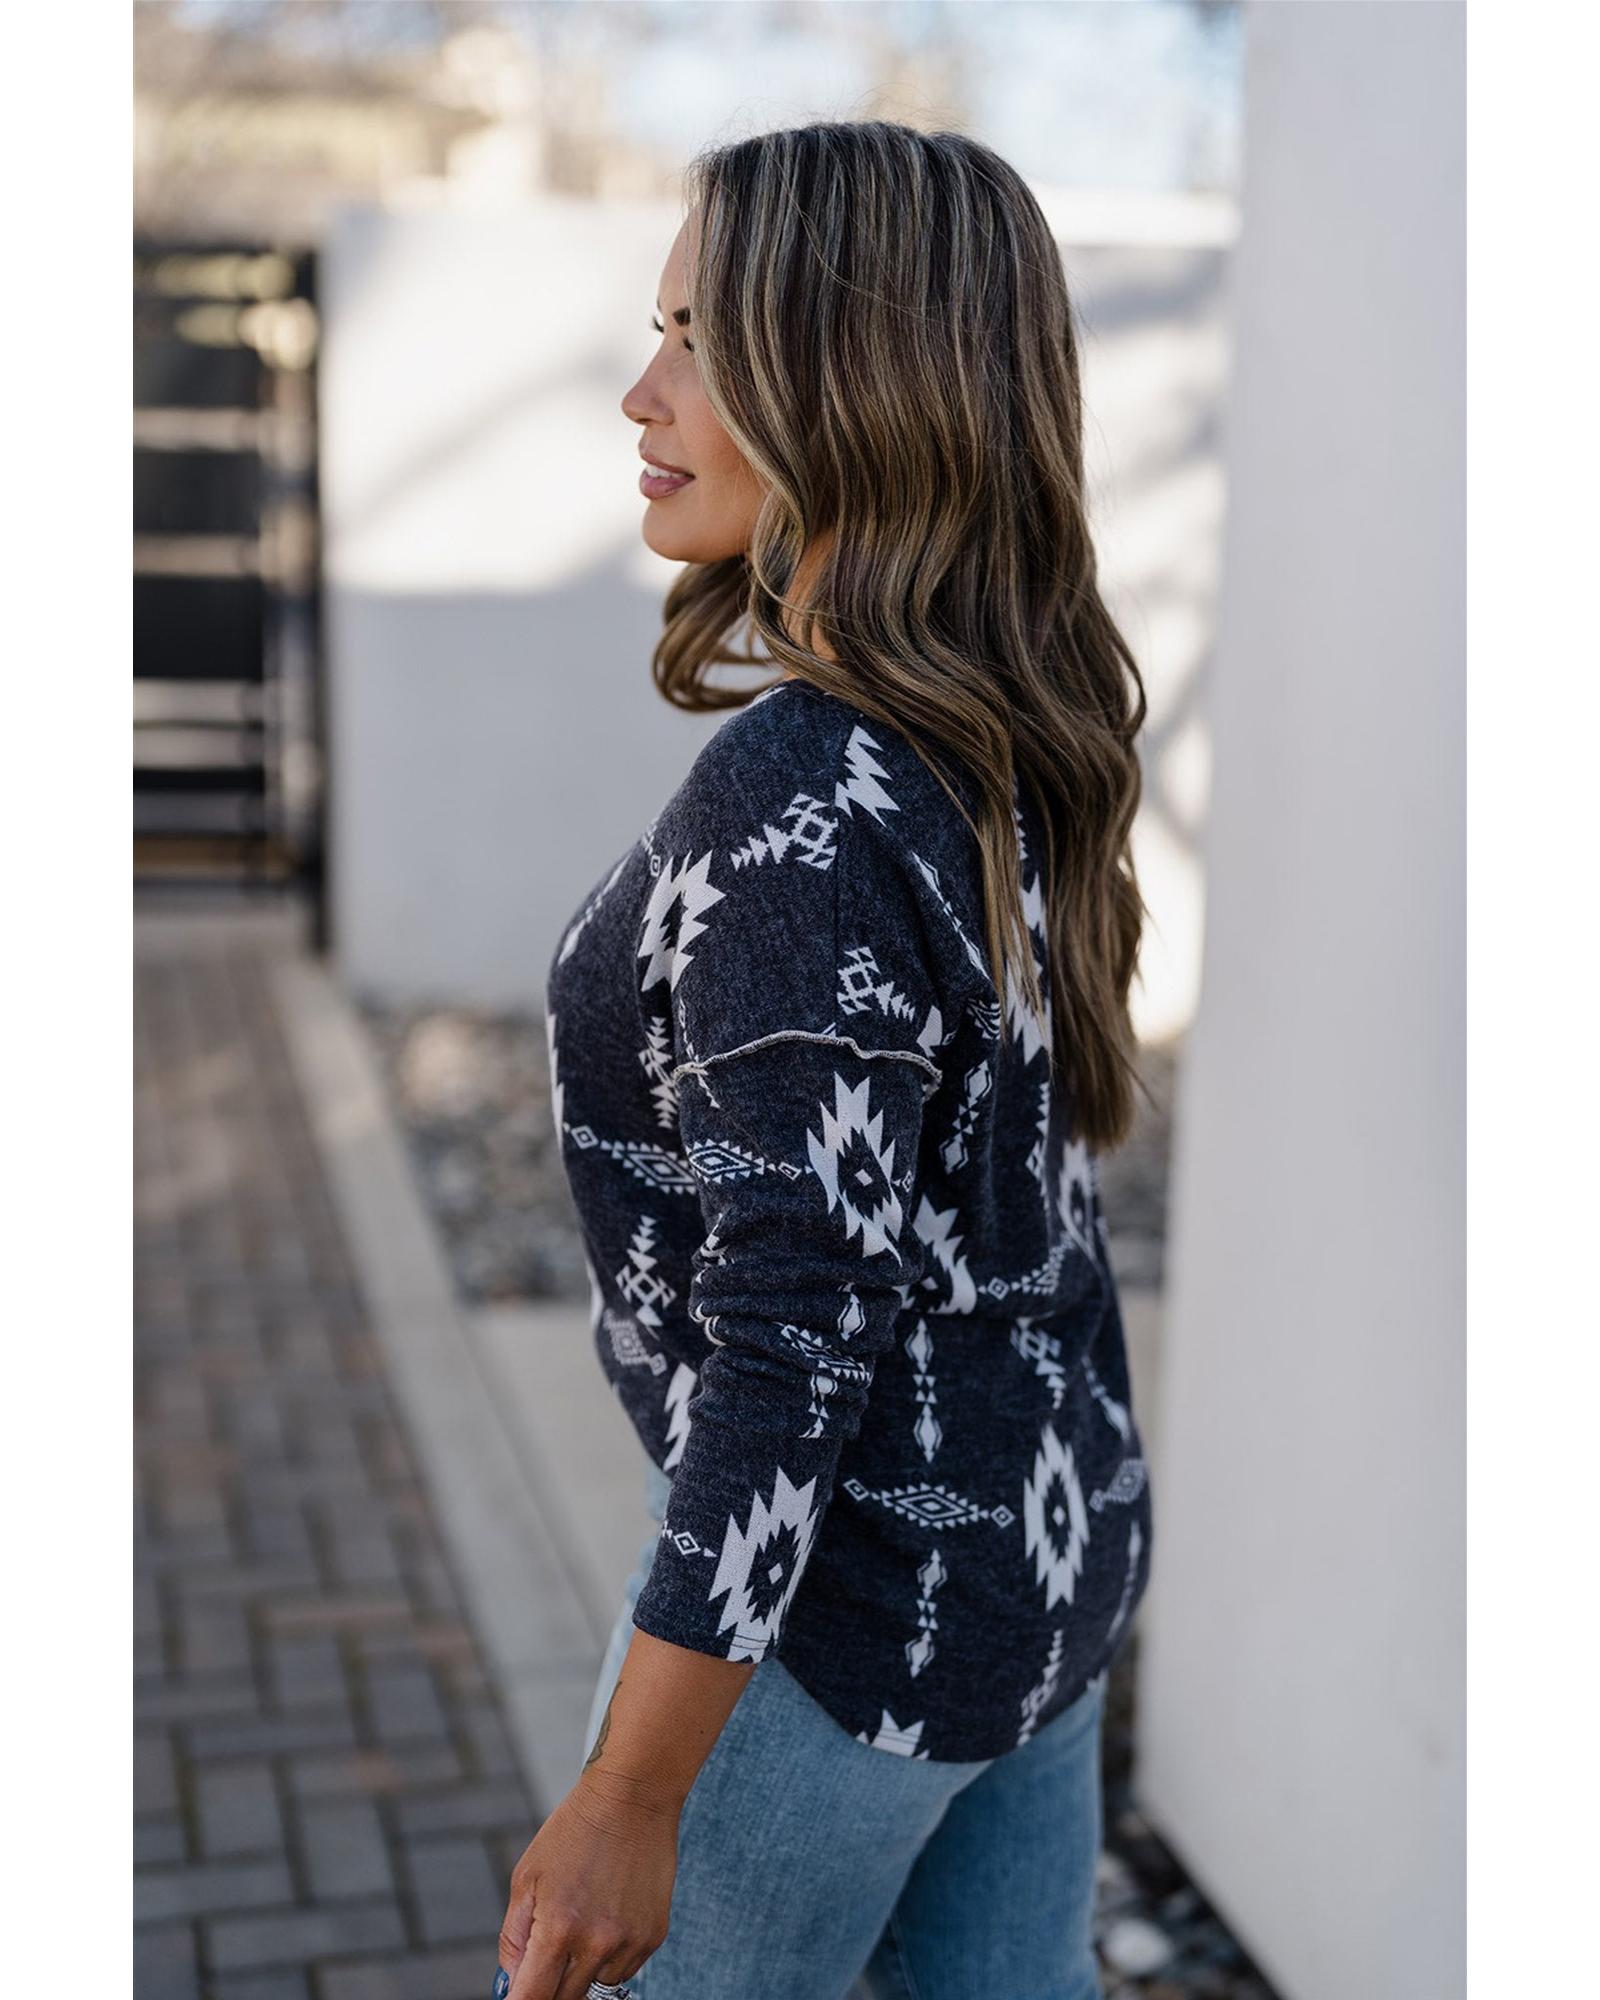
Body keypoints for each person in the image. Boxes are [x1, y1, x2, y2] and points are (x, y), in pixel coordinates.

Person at [495, 120, 1155, 2000]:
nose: (645, 394)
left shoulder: (801, 796)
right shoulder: (1013, 723)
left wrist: (632, 1792)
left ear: (855, 380)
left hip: (845, 1633)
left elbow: (793, 1340)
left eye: (703, 341)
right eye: (659, 332)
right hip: (1046, 1560)